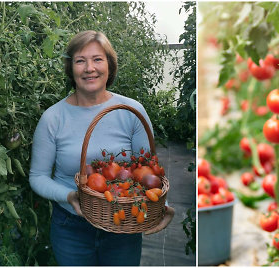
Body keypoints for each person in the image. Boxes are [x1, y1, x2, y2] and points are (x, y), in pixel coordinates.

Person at [29, 30, 174, 266]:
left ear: (110, 65)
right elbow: (38, 177)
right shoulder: (53, 118)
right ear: (71, 68)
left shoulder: (131, 112)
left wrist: (161, 205)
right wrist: (69, 196)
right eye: (80, 60)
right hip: (70, 227)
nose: (89, 68)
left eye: (97, 59)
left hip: (124, 223)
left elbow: (150, 173)